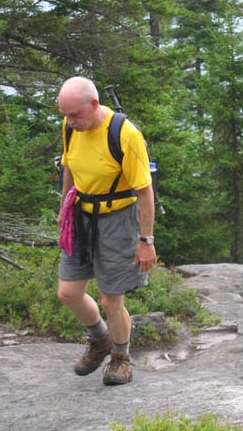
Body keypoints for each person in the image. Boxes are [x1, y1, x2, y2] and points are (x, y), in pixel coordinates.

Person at [56, 76, 157, 386]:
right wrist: (63, 210)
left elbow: (145, 191)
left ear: (94, 104)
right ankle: (99, 338)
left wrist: (146, 241)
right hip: (81, 216)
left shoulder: (125, 135)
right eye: (66, 115)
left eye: (75, 115)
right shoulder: (70, 127)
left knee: (111, 299)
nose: (70, 122)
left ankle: (120, 357)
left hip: (118, 220)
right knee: (68, 292)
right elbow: (69, 168)